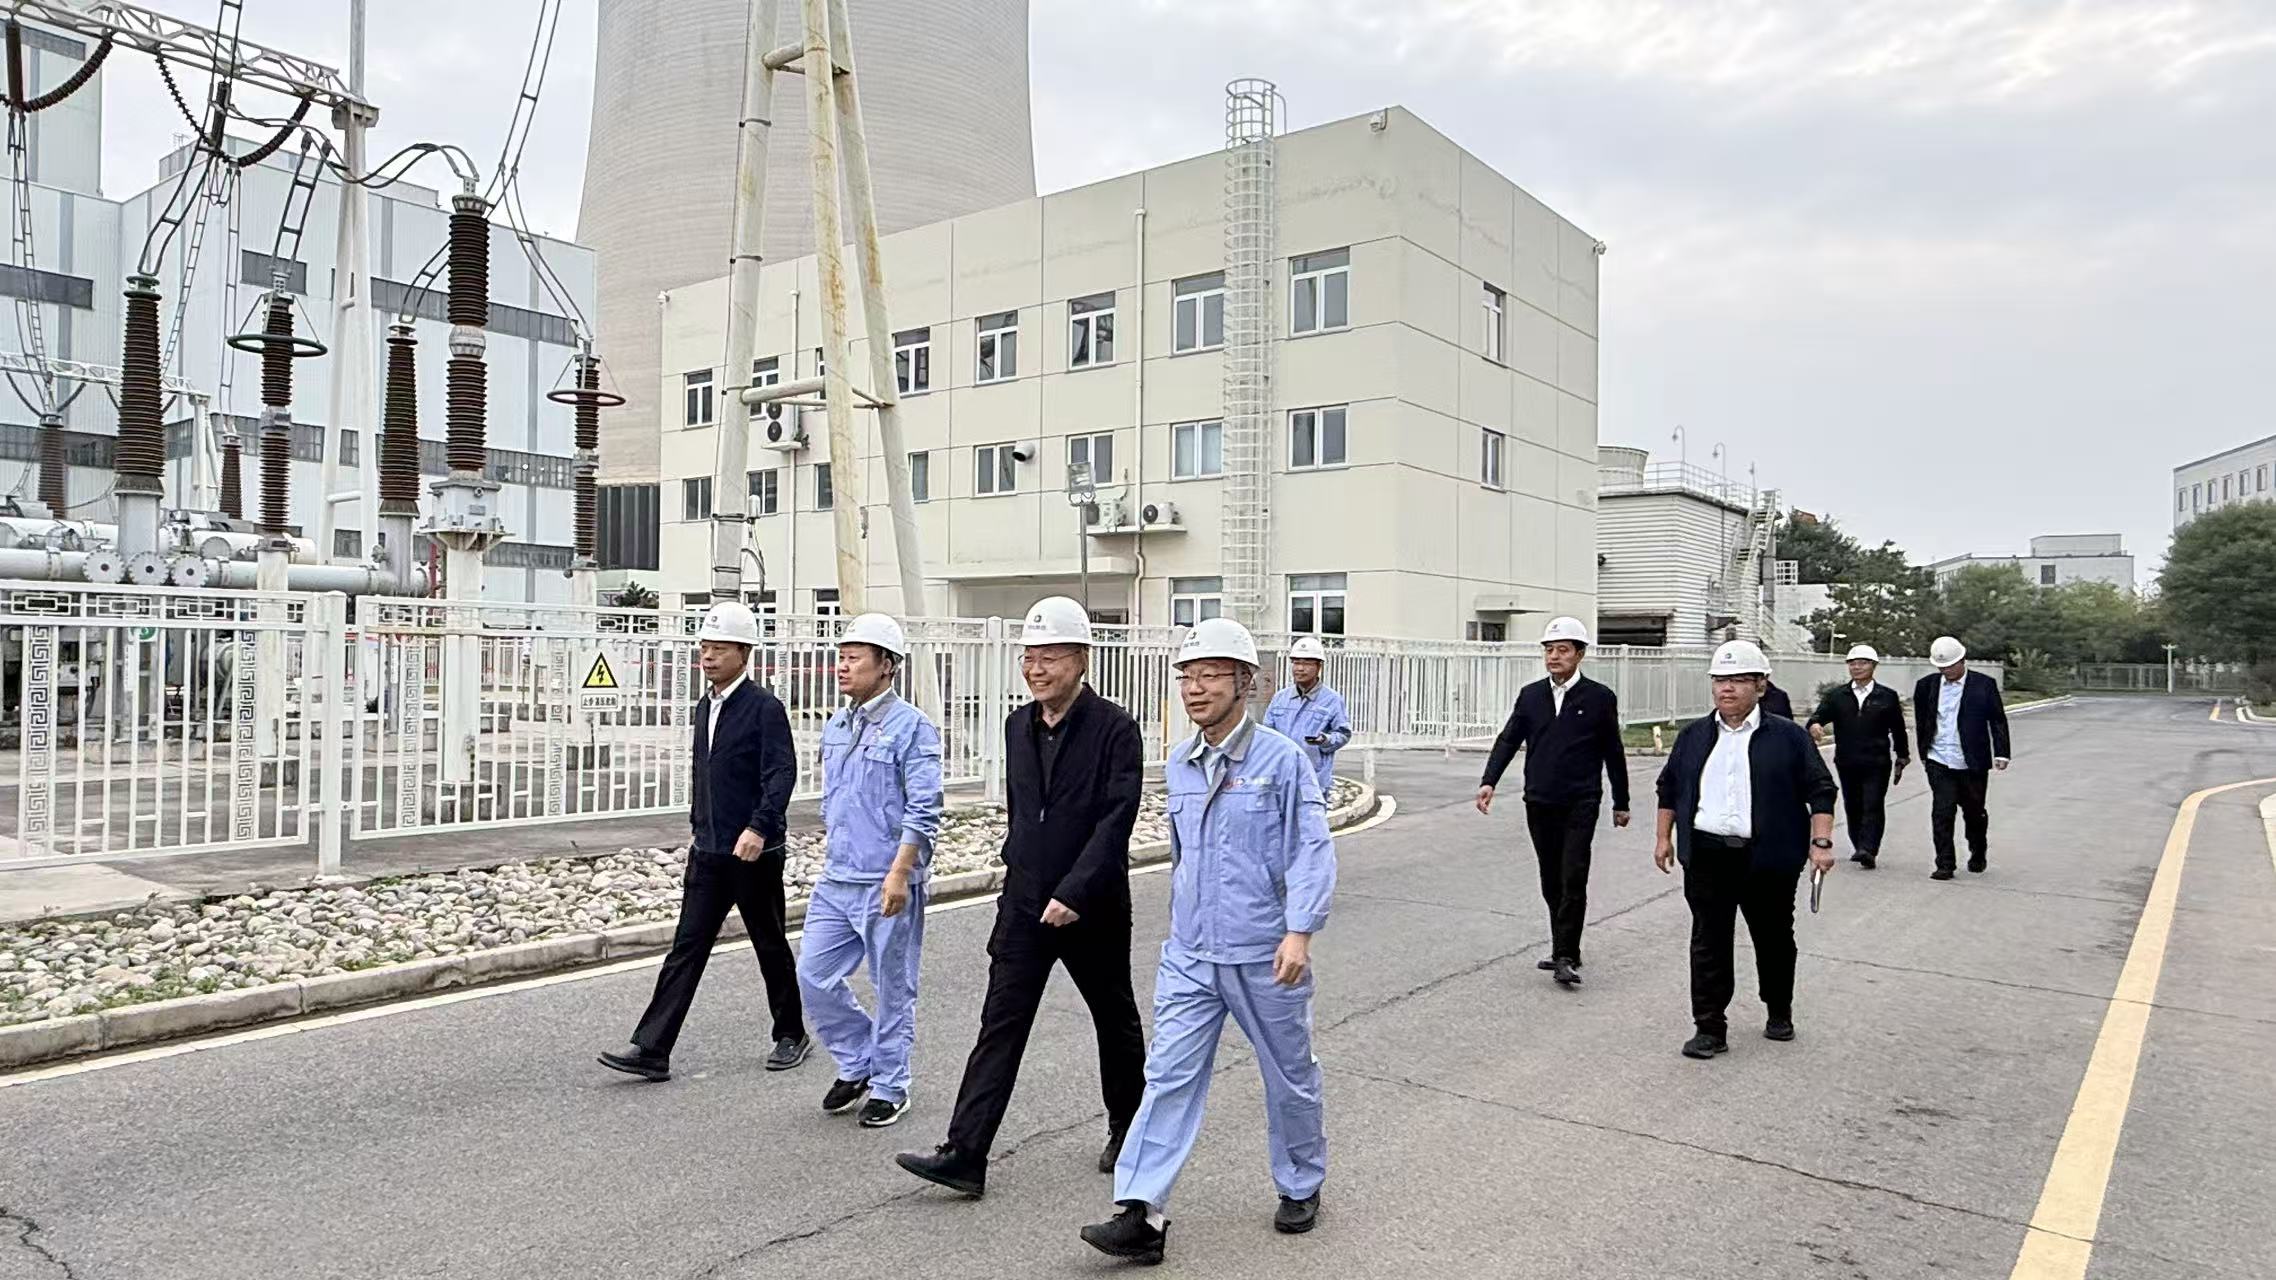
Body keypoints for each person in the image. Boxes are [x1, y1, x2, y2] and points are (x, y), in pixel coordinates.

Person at [1081, 618, 1336, 1264]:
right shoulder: (1181, 762)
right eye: (1188, 676)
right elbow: (1183, 856)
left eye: (1211, 675)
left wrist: (1299, 932)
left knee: (1290, 1078)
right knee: (1167, 1076)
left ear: (1245, 682)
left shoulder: (1282, 761)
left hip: (1264, 953)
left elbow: (1311, 849)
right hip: (1192, 955)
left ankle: (1300, 1181)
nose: (1195, 688)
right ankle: (1140, 1212)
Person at [896, 597, 1146, 1197]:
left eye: (1049, 657)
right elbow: (1024, 814)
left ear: (1081, 659)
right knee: (1000, 1023)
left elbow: (1116, 821)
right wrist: (1017, 881)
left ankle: (1130, 1128)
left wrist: (1075, 891)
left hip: (1092, 907)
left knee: (1114, 1020)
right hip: (1026, 904)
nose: (1036, 669)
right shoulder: (1017, 725)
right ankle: (966, 1153)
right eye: (1029, 657)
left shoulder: (1115, 729)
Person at [598, 601, 807, 1081]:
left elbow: (781, 773)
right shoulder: (705, 706)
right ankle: (652, 1048)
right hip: (709, 851)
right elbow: (705, 774)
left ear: (744, 653)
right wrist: (699, 825)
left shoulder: (764, 708)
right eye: (704, 648)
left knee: (769, 943)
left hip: (754, 852)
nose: (708, 657)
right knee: (686, 949)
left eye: (719, 649)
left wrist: (760, 828)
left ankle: (791, 1033)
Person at [1652, 640, 1837, 1060]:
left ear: (1761, 685)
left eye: (1737, 680)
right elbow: (1669, 788)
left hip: (1769, 856)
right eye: (1720, 680)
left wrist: (1821, 842)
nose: (1727, 688)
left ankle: (1779, 1008)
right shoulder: (1694, 736)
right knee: (1708, 940)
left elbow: (1821, 790)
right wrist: (1664, 838)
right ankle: (1709, 1027)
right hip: (1707, 854)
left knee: (1773, 937)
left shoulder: (1788, 737)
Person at [797, 612, 944, 1128]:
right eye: (841, 657)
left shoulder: (912, 727)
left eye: (854, 658)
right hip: (837, 878)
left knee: (892, 987)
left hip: (887, 880)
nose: (843, 666)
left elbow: (924, 809)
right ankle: (860, 1060)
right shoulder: (838, 724)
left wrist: (901, 873)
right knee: (813, 975)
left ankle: (890, 1085)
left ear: (887, 666)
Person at [1475, 615, 1631, 987]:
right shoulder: (1531, 695)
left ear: (1580, 654)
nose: (1554, 657)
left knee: (1573, 874)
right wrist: (1489, 781)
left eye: (1562, 650)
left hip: (1581, 800)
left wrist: (1621, 801)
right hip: (1540, 799)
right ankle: (1566, 946)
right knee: (1551, 878)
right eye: (1549, 650)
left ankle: (1564, 955)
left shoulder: (1599, 698)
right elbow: (1509, 739)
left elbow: (1613, 750)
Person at [1913, 636, 2010, 880]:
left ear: (1962, 661)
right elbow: (1922, 721)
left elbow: (1997, 720)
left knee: (1974, 812)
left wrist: (2002, 752)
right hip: (1938, 758)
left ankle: (1978, 851)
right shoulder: (1926, 686)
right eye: (1941, 667)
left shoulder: (1984, 685)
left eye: (1950, 666)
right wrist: (1923, 752)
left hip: (1971, 761)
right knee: (1942, 811)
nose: (1946, 671)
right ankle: (1945, 864)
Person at [1806, 644, 1910, 869]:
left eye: (1862, 663)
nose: (1857, 667)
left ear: (1873, 666)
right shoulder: (1837, 696)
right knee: (1853, 804)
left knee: (1873, 803)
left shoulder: (1887, 697)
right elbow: (1818, 716)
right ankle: (1858, 845)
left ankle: (1869, 849)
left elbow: (1898, 729)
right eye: (1852, 663)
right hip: (1847, 760)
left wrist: (1903, 755)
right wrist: (1814, 724)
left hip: (1877, 761)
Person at [1264, 635, 1352, 798]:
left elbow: (1343, 734)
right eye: (1296, 662)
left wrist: (1325, 740)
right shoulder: (1280, 698)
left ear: (1319, 667)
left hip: (1314, 780)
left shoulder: (1332, 700)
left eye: (1306, 663)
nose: (1300, 668)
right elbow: (1267, 734)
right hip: (1281, 778)